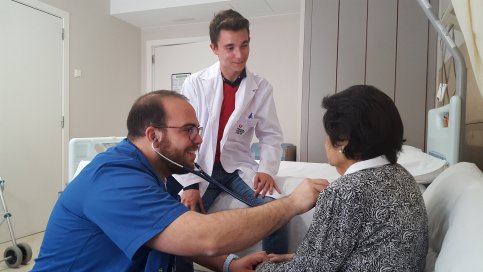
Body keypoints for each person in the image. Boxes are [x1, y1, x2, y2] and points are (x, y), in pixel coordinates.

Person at [32, 90, 328, 272]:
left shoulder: (149, 173)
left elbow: (169, 233)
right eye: (189, 130)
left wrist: (228, 264)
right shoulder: (114, 179)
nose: (199, 139)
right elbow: (205, 237)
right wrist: (291, 204)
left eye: (197, 129)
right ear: (153, 136)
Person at [256, 85, 429, 271]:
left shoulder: (344, 192)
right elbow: (369, 248)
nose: (325, 141)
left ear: (344, 139)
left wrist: (260, 268)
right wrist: (295, 258)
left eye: (329, 132)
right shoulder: (404, 177)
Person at [173, 9, 288, 255]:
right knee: (180, 226)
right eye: (230, 47)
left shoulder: (261, 87)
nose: (239, 55)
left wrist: (267, 169)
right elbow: (182, 135)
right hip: (200, 169)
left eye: (244, 45)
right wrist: (190, 184)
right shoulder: (196, 83)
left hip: (236, 168)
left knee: (278, 214)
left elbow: (271, 135)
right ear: (214, 48)